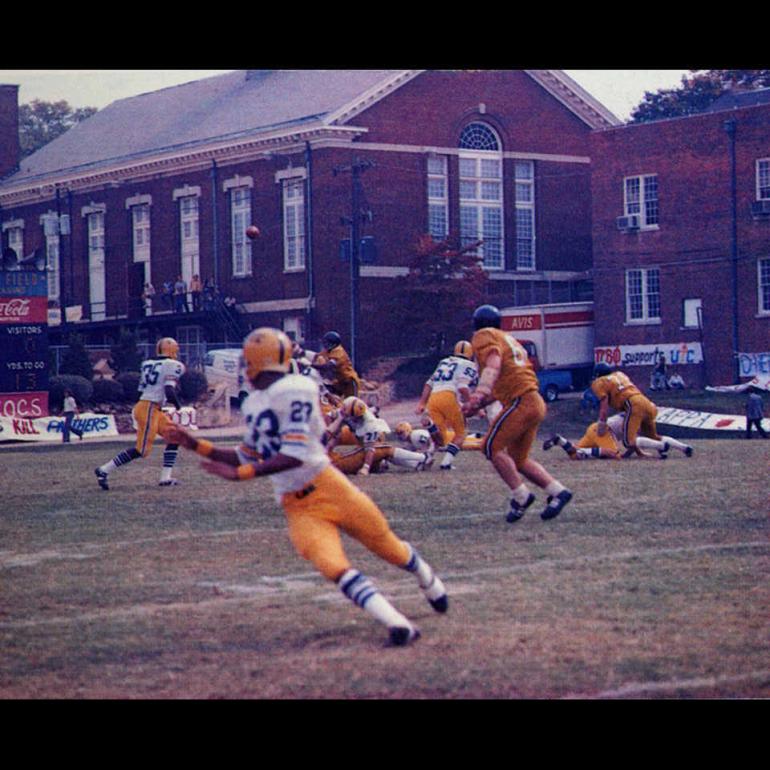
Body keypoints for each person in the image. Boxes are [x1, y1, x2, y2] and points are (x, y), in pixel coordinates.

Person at [164, 327, 448, 647]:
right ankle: (398, 625)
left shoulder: (296, 390)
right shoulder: (256, 403)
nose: (245, 370)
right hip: (297, 505)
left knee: (388, 547)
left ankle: (428, 579)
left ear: (264, 364)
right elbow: (249, 453)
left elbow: (294, 455)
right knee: (333, 565)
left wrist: (243, 474)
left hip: (329, 486)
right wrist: (195, 444)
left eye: (249, 363)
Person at [462, 304, 573, 523]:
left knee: (490, 446)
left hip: (521, 401)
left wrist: (478, 393)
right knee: (517, 459)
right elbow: (505, 382)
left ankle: (521, 497)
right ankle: (557, 491)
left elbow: (492, 364)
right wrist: (480, 403)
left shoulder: (484, 336)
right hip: (534, 401)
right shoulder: (509, 340)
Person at [95, 337, 185, 490]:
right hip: (149, 408)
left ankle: (165, 478)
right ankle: (104, 470)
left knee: (175, 437)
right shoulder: (173, 365)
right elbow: (169, 390)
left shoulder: (147, 364)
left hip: (149, 406)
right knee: (142, 450)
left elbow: (142, 390)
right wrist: (178, 405)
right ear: (172, 349)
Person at [325, 396, 433, 475]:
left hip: (375, 436)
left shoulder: (369, 422)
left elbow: (370, 448)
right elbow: (329, 419)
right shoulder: (344, 411)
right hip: (344, 449)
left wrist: (366, 467)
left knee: (382, 451)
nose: (354, 419)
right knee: (382, 456)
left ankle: (421, 459)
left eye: (356, 417)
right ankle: (419, 461)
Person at [415, 340, 478, 471]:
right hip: (450, 396)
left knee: (441, 439)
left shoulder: (444, 362)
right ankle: (446, 463)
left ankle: (428, 454)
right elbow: (462, 387)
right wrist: (471, 403)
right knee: (461, 433)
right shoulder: (469, 365)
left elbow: (429, 383)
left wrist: (422, 402)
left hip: (434, 397)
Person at [591, 362, 676, 458]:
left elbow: (604, 406)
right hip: (645, 401)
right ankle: (684, 448)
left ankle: (661, 446)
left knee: (628, 441)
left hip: (633, 404)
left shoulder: (600, 382)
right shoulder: (620, 374)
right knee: (652, 436)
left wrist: (602, 422)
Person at [543, 413, 693, 460]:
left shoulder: (633, 415)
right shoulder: (636, 418)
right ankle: (679, 447)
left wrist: (640, 453)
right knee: (615, 455)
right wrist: (647, 452)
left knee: (575, 455)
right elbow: (632, 441)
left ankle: (560, 440)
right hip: (603, 431)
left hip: (595, 428)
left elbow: (632, 442)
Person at [314, 331, 361, 399]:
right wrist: (301, 353)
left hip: (349, 381)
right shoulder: (329, 351)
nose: (325, 345)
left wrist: (312, 365)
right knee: (330, 396)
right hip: (340, 382)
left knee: (351, 402)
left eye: (327, 343)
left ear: (334, 343)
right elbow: (316, 355)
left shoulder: (339, 352)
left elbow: (328, 366)